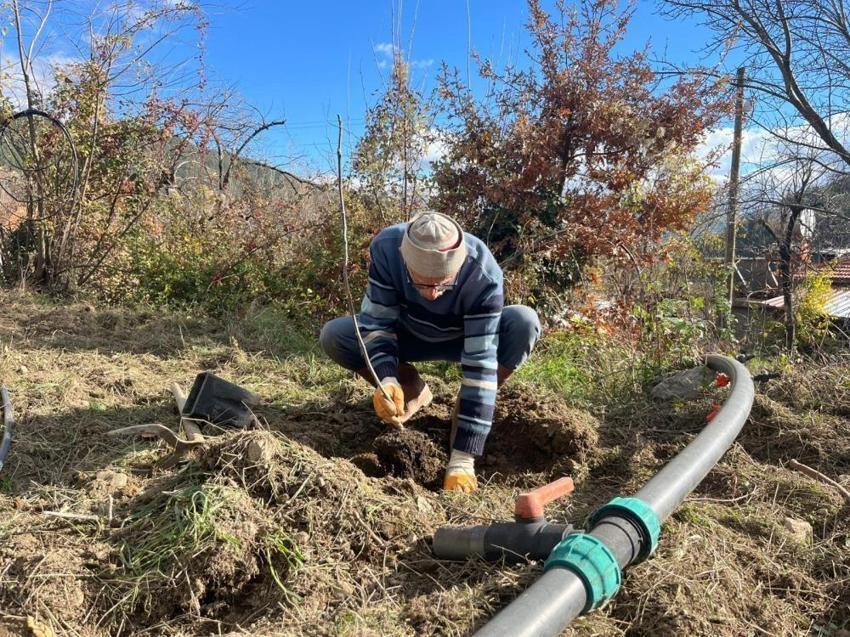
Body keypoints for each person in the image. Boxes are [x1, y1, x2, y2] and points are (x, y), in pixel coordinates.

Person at [320, 211, 540, 492]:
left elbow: (482, 360)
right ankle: (410, 387)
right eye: (422, 283)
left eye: (443, 283)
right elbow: (377, 324)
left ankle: (468, 409)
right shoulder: (387, 248)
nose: (433, 294)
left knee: (524, 322)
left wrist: (463, 457)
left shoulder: (482, 272)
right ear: (405, 260)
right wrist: (387, 379)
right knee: (336, 335)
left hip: (464, 337)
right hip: (408, 333)